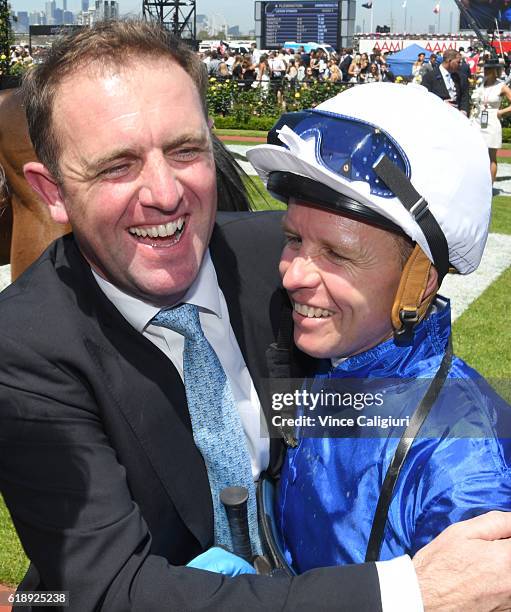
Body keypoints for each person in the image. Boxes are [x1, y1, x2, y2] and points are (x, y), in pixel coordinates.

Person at [2, 20, 511, 612]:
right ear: (53, 192)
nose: (165, 194)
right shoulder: (24, 346)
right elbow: (108, 591)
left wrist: (453, 434)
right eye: (118, 166)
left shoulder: (278, 255)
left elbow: (385, 398)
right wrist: (408, 592)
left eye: (185, 150)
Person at [247, 81, 511, 575]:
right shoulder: (336, 358)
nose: (293, 275)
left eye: (337, 254)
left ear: (421, 280)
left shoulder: (467, 466)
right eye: (293, 239)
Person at [471, 59, 511, 183]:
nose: (485, 70)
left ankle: (490, 186)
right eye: (485, 68)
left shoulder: (502, 86)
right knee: (476, 153)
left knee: (491, 156)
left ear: (495, 70)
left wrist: (501, 112)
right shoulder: (481, 83)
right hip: (477, 119)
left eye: (488, 68)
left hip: (492, 120)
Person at [422, 49, 470, 115]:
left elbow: (465, 97)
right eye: (458, 62)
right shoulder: (429, 77)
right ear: (449, 61)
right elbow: (425, 99)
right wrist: (441, 104)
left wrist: (464, 111)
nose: (460, 65)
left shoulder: (461, 77)